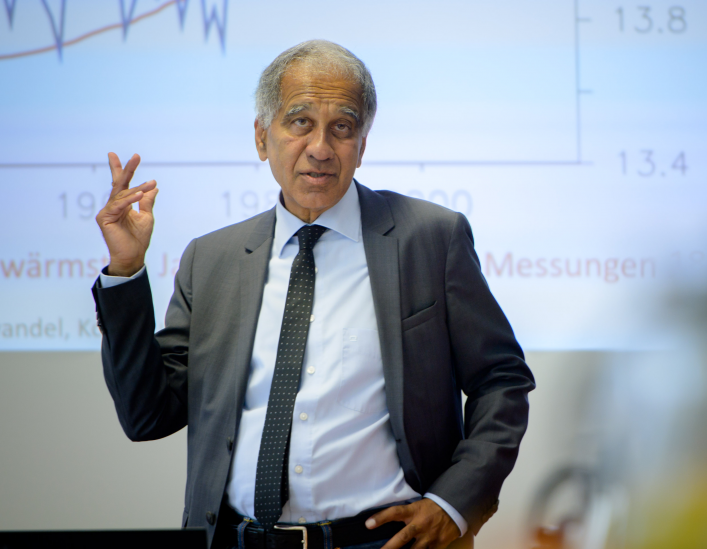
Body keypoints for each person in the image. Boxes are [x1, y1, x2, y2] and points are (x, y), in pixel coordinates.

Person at [92, 40, 534, 549]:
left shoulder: (431, 239)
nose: (321, 148)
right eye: (300, 122)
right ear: (262, 137)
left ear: (362, 146)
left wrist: (454, 505)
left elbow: (501, 380)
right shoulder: (210, 260)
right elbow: (148, 416)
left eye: (342, 127)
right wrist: (126, 271)